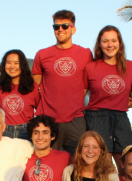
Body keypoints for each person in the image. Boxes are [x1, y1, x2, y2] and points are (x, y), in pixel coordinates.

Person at [32, 9, 93, 155]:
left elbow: (86, 86)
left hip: (76, 119)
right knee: (45, 161)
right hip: (48, 119)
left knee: (80, 161)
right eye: (56, 27)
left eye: (65, 26)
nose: (60, 30)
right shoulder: (42, 54)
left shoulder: (85, 54)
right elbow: (36, 87)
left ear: (73, 29)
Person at [83, 25, 132, 175]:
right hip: (96, 117)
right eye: (105, 41)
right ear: (100, 44)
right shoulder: (91, 67)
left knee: (126, 165)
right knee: (102, 168)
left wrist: (127, 100)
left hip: (121, 117)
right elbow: (81, 96)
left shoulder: (130, 66)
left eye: (113, 40)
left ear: (119, 43)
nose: (110, 45)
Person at [0, 49, 40, 141]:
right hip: (4, 131)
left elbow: (41, 110)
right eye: (9, 62)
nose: (12, 66)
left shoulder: (32, 86)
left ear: (22, 65)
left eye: (16, 63)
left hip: (26, 131)